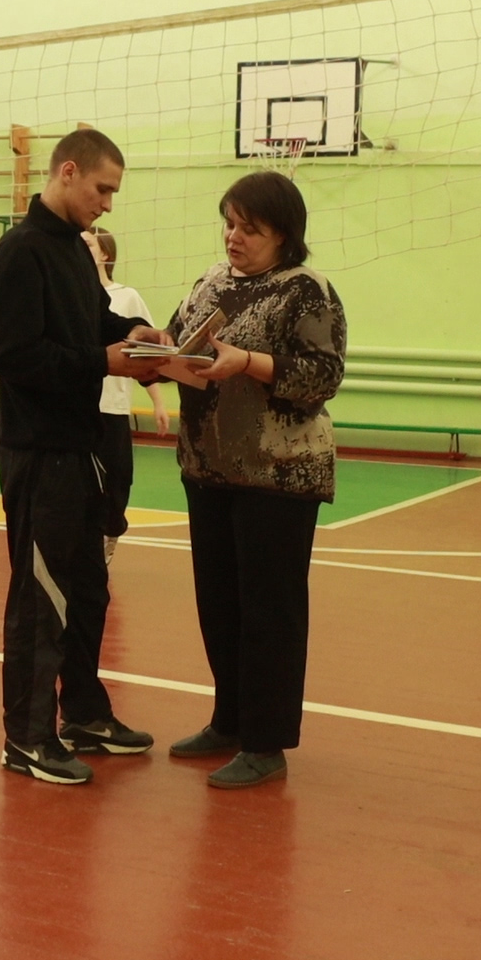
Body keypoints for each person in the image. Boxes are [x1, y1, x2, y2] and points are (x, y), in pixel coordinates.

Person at [0, 127, 167, 786]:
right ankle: (27, 738)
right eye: (102, 189)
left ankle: (84, 714)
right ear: (67, 172)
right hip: (39, 452)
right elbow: (8, 353)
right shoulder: (20, 251)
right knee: (42, 597)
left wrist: (134, 336)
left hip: (80, 447)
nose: (107, 203)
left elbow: (90, 324)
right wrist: (101, 361)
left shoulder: (74, 248)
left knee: (87, 588)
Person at [165, 170, 346, 789]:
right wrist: (152, 347)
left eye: (250, 228)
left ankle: (266, 743)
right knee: (219, 604)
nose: (233, 237)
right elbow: (178, 339)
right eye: (230, 223)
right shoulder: (211, 282)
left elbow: (322, 375)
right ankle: (229, 721)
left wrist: (246, 362)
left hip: (279, 475)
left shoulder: (307, 291)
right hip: (208, 467)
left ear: (284, 235)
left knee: (269, 612)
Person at [82, 227, 169, 567]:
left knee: (118, 481)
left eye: (89, 242)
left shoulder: (126, 297)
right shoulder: (73, 292)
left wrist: (158, 402)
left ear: (105, 253)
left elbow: (145, 353)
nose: (81, 246)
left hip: (113, 408)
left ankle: (111, 533)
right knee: (84, 485)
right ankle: (90, 546)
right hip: (82, 405)